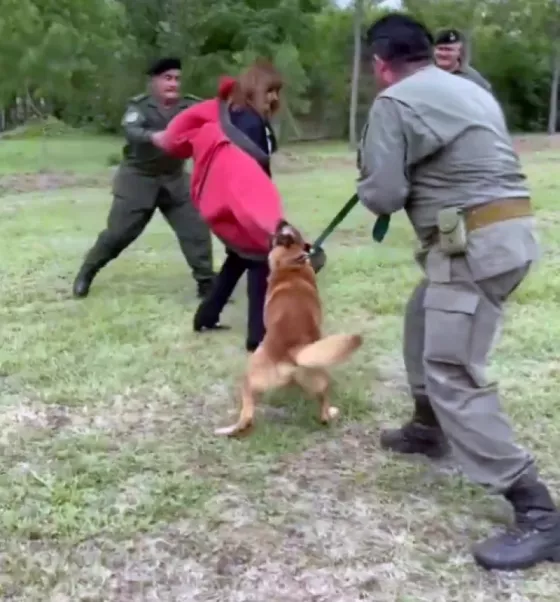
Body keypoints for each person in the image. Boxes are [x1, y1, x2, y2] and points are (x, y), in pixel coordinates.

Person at [357, 12, 560, 572]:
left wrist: (368, 174)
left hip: (471, 247)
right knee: (422, 311)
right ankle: (428, 428)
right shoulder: (468, 89)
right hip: (509, 233)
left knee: (452, 370)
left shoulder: (393, 102)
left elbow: (383, 193)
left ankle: (539, 514)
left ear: (380, 65)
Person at [72, 57, 216, 300]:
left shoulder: (190, 106)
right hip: (138, 179)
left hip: (174, 179)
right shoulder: (139, 107)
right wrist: (154, 137)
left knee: (196, 229)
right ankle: (86, 273)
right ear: (154, 82)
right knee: (119, 234)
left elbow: (214, 119)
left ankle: (207, 284)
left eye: (177, 79)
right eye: (167, 78)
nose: (173, 84)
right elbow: (132, 131)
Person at [189, 61, 283, 352]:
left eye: (277, 92)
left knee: (238, 259)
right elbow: (251, 170)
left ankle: (206, 316)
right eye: (269, 91)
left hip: (230, 200)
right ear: (256, 89)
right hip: (243, 201)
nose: (274, 98)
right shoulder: (251, 123)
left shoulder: (238, 116)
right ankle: (258, 336)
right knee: (258, 261)